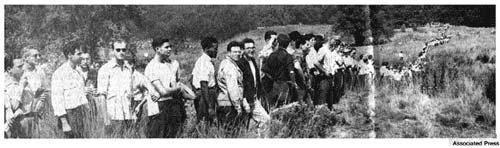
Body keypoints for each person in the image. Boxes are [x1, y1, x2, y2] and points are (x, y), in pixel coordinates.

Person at [145, 38, 190, 138]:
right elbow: (163, 91)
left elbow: (173, 84)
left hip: (171, 105)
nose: (170, 49)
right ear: (157, 49)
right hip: (158, 107)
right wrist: (178, 88)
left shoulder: (167, 65)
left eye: (170, 47)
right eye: (166, 47)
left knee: (172, 135)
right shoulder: (151, 67)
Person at [97, 40, 139, 138]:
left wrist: (132, 113)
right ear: (113, 51)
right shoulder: (105, 69)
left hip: (127, 115)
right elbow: (102, 96)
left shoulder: (128, 69)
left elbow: (131, 94)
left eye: (123, 50)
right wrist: (106, 118)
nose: (121, 52)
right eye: (118, 49)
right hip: (113, 116)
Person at [51, 42, 92, 138]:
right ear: (70, 55)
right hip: (69, 116)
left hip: (81, 114)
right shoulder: (59, 73)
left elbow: (81, 94)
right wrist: (64, 122)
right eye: (79, 54)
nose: (82, 56)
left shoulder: (78, 72)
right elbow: (57, 100)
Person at [237, 38, 270, 136]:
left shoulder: (253, 61)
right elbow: (240, 84)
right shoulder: (241, 63)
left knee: (265, 119)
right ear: (243, 50)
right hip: (245, 100)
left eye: (253, 48)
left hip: (254, 99)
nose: (251, 50)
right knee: (245, 126)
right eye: (248, 48)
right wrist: (244, 101)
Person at [216, 41, 250, 136]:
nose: (237, 54)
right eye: (234, 52)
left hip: (225, 102)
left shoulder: (227, 63)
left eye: (239, 52)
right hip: (229, 104)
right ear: (228, 53)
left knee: (227, 132)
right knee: (231, 133)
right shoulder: (230, 67)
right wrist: (238, 107)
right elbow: (233, 89)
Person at [18, 48, 49, 138]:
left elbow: (46, 90)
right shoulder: (20, 72)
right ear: (26, 58)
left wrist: (41, 101)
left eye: (39, 55)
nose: (38, 58)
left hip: (37, 115)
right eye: (35, 56)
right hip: (22, 116)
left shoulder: (40, 72)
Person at [262, 34, 297, 110]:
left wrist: (273, 77)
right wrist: (294, 83)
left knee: (273, 107)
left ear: (277, 43)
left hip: (273, 85)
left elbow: (264, 69)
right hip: (284, 85)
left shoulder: (272, 55)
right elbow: (291, 72)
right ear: (287, 45)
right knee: (284, 108)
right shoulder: (288, 56)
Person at [192, 36, 219, 123]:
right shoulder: (205, 63)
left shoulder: (202, 60)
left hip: (204, 94)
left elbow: (191, 78)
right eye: (215, 48)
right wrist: (209, 106)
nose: (216, 51)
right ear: (207, 49)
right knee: (205, 122)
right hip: (206, 95)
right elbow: (203, 84)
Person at [4, 55, 29, 138]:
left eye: (23, 66)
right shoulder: (8, 84)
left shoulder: (19, 81)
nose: (23, 69)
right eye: (19, 67)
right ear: (9, 69)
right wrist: (21, 86)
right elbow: (14, 105)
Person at [258, 31, 278, 95]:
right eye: (274, 39)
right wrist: (270, 44)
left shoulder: (274, 49)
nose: (276, 41)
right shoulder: (265, 50)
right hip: (265, 78)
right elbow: (261, 55)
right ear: (267, 40)